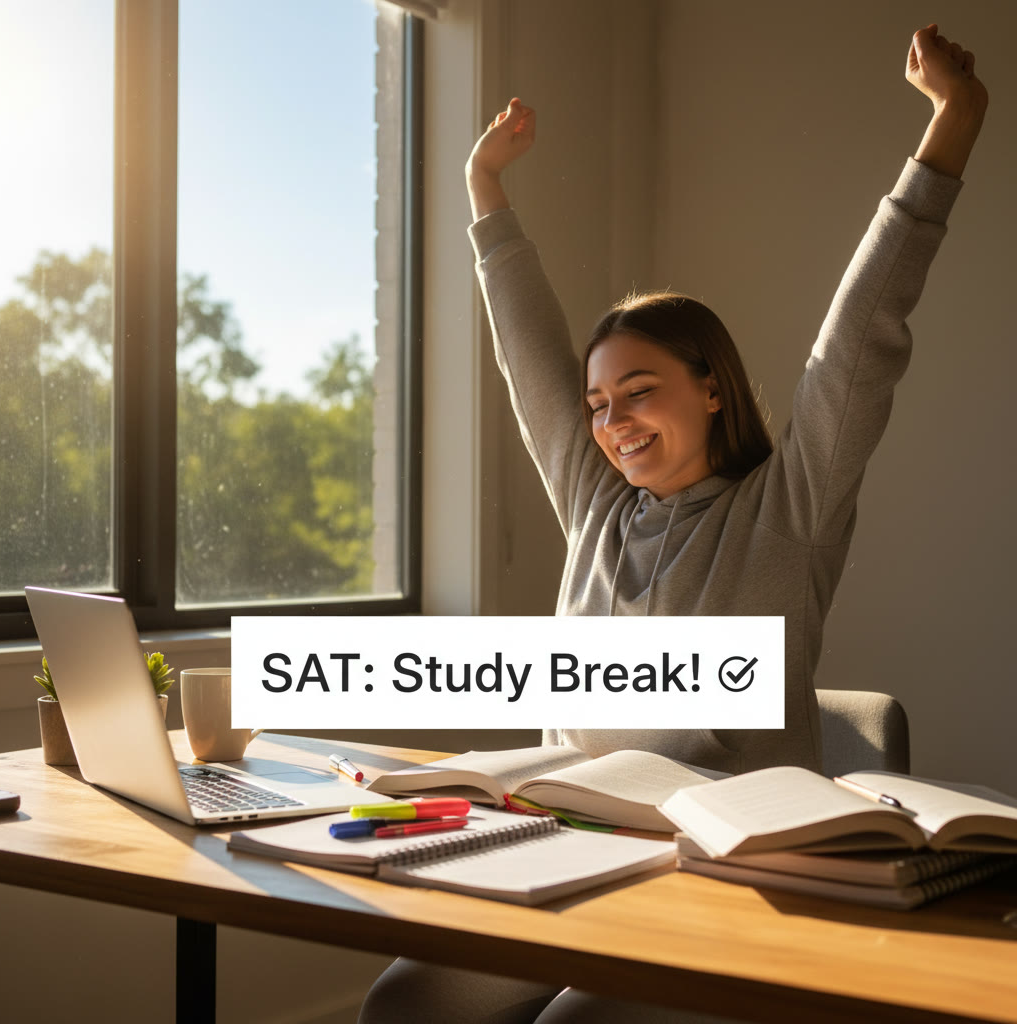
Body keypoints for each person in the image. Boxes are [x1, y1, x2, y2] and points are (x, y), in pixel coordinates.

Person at [360, 23, 987, 1024]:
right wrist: (485, 188)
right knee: (407, 1004)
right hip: (561, 851)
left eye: (638, 391)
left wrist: (950, 124)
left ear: (708, 388)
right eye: (599, 404)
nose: (610, 424)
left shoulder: (789, 508)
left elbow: (859, 337)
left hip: (713, 880)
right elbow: (530, 364)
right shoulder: (596, 505)